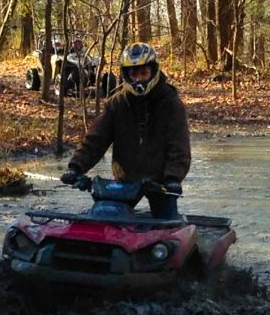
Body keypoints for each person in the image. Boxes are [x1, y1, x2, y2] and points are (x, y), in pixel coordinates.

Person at [60, 42, 191, 220]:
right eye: (134, 74)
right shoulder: (116, 103)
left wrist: (173, 178)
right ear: (126, 75)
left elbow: (179, 145)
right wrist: (76, 167)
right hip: (126, 178)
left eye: (143, 73)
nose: (139, 79)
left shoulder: (171, 102)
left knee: (167, 224)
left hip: (160, 181)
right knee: (107, 221)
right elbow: (96, 140)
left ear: (153, 71)